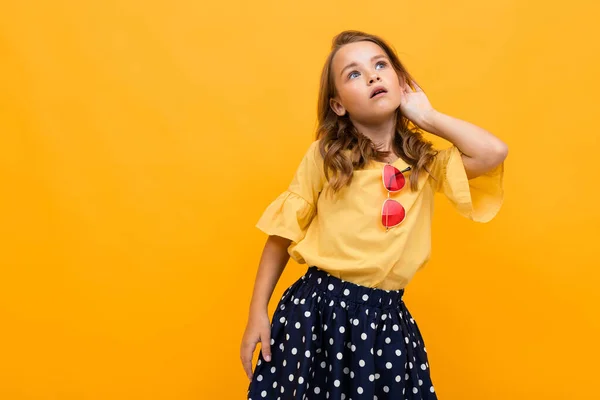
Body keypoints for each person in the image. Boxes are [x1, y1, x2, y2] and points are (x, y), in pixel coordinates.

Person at [241, 30, 508, 400]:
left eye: (380, 65)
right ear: (338, 105)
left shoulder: (426, 164)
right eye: (353, 73)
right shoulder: (325, 157)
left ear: (401, 82)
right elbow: (281, 234)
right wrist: (259, 311)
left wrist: (427, 116)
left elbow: (492, 152)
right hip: (317, 312)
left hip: (384, 322)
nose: (371, 76)